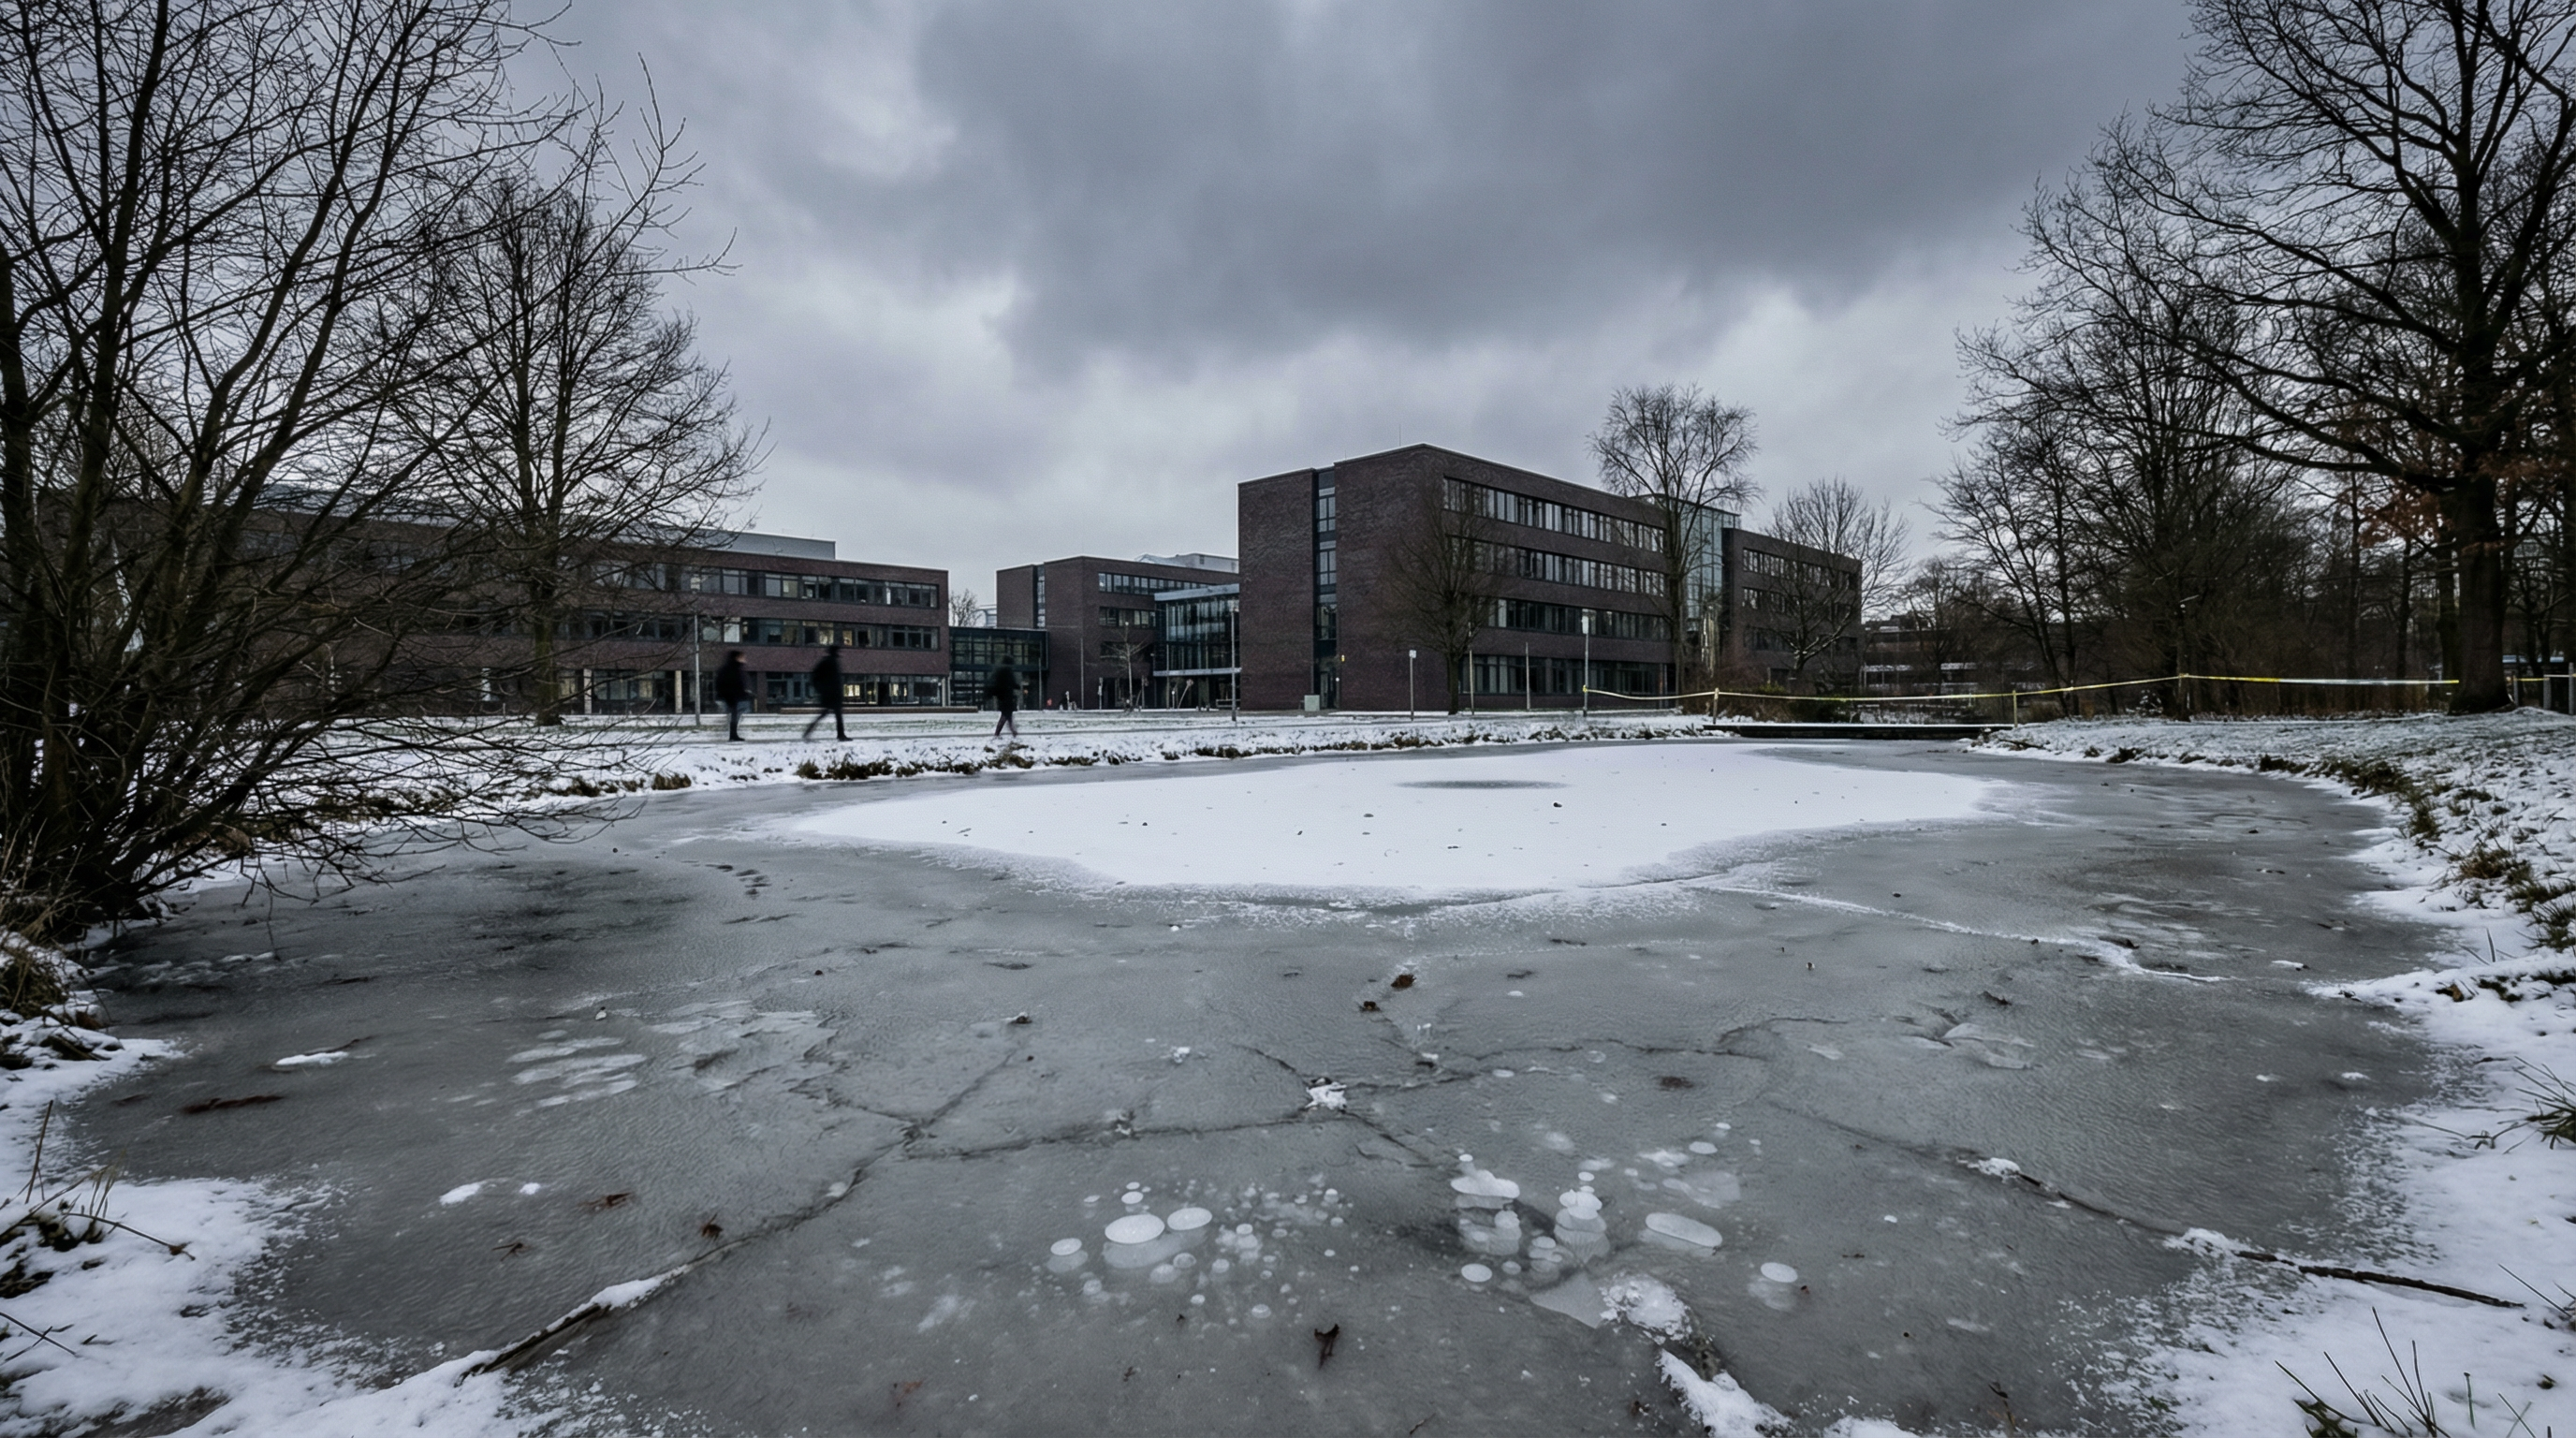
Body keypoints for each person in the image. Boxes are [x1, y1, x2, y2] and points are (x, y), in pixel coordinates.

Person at [804, 644, 846, 741]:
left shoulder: (832, 661)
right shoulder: (827, 661)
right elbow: (815, 676)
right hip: (830, 694)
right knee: (831, 715)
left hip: (833, 694)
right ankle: (840, 735)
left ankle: (841, 735)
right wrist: (821, 689)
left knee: (834, 715)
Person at [714, 650, 751, 741]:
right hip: (730, 697)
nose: (744, 659)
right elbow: (729, 683)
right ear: (736, 658)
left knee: (735, 715)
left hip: (733, 696)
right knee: (734, 715)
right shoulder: (731, 669)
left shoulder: (735, 668)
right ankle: (732, 735)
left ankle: (733, 735)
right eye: (742, 657)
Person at [987, 664, 1020, 741]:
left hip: (1004, 702)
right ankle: (999, 733)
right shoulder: (1007, 679)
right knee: (1005, 718)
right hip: (1007, 702)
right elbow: (1013, 685)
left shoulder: (1002, 680)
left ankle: (1011, 732)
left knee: (1007, 718)